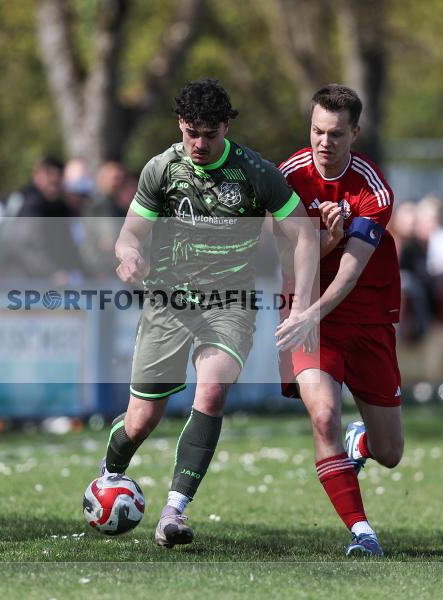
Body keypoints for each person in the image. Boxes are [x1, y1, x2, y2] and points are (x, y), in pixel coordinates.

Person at [100, 79, 317, 548]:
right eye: (191, 132)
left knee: (213, 391)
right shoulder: (161, 168)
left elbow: (305, 234)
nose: (199, 144)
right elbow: (131, 233)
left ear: (225, 128)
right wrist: (129, 255)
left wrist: (302, 302)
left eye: (210, 134)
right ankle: (109, 475)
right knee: (141, 420)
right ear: (180, 125)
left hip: (229, 305)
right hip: (168, 303)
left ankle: (174, 511)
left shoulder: (254, 172)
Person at [276, 84, 403, 558]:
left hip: (364, 315)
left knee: (390, 452)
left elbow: (351, 270)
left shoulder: (374, 189)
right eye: (316, 131)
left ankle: (362, 442)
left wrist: (331, 247)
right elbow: (284, 260)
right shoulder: (286, 177)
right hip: (307, 310)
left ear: (354, 133)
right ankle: (363, 534)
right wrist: (321, 244)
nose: (323, 143)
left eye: (334, 134)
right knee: (323, 414)